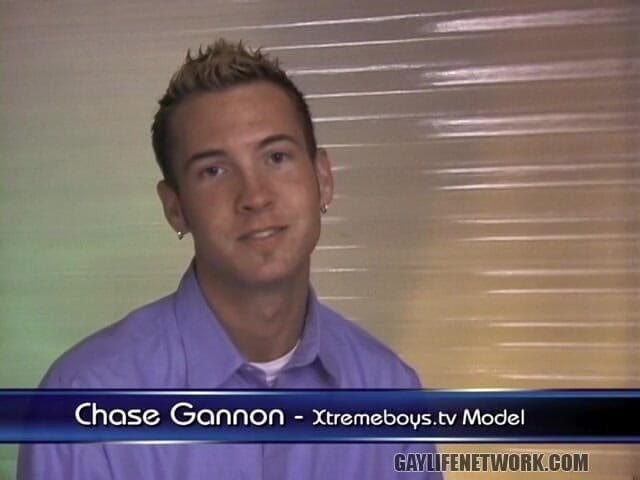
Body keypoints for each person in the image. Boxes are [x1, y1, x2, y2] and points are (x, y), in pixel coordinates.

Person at [18, 39, 440, 479]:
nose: (255, 196)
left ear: (323, 180)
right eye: (213, 171)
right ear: (175, 208)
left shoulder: (390, 392)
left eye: (276, 157)